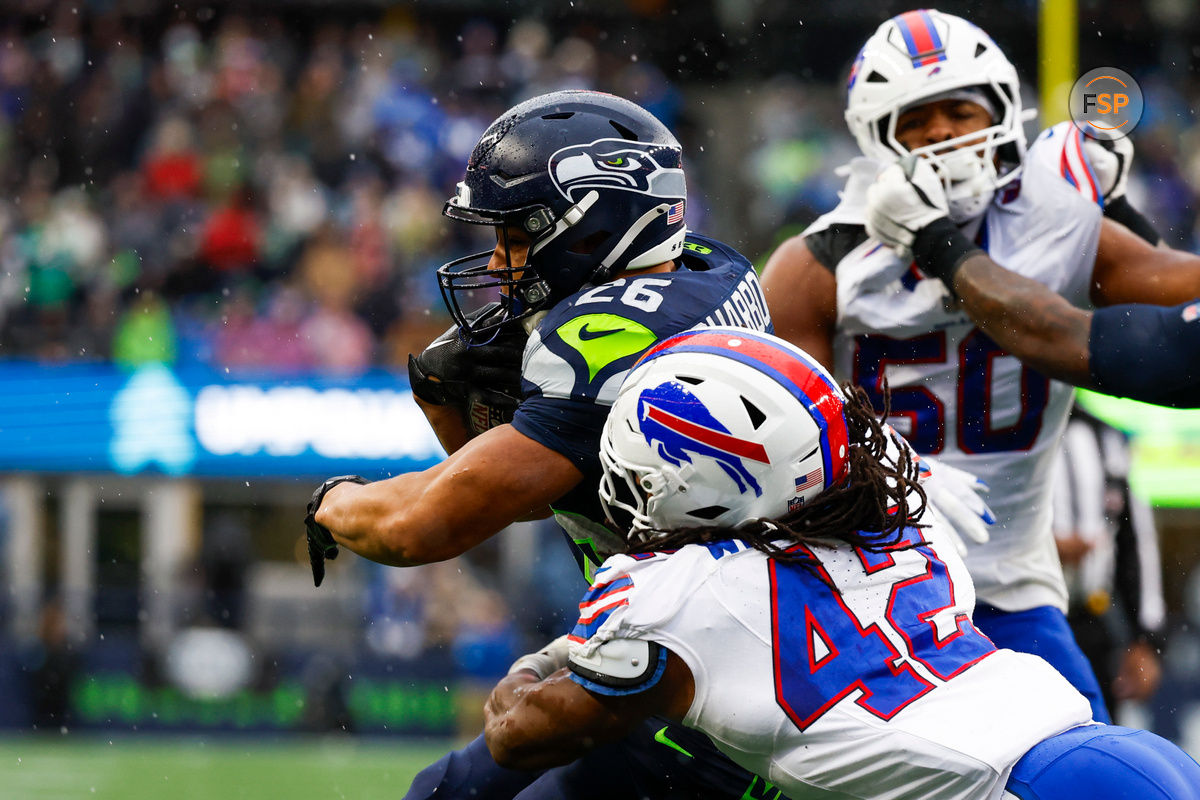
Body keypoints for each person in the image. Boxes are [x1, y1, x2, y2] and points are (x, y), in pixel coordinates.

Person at [483, 326, 1200, 800]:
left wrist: (534, 667)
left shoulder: (675, 597)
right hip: (1110, 754)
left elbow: (518, 738)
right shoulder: (896, 510)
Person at [306, 89, 783, 799]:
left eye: (519, 235)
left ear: (596, 230)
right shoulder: (711, 269)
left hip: (718, 707)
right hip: (703, 646)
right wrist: (450, 405)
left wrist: (334, 503)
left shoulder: (603, 337)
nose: (500, 263)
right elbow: (534, 484)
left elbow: (424, 527)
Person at [759, 8, 1200, 722]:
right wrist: (892, 485)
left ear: (1001, 112)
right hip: (867, 581)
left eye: (959, 111)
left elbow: (1175, 299)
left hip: (1011, 585)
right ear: (876, 135)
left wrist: (1112, 213)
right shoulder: (818, 265)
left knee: (1083, 756)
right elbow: (786, 452)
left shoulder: (1055, 224)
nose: (939, 134)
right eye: (916, 119)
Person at [1052, 405, 1167, 713]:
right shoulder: (993, 427)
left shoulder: (1104, 436)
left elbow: (1134, 541)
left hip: (1088, 622)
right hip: (1007, 621)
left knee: (1097, 737)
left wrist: (1146, 639)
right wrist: (1036, 549)